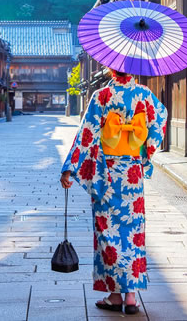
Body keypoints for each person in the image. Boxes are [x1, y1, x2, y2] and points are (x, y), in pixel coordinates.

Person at [60, 69, 167, 315]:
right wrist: (143, 152)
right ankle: (131, 296)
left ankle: (114, 295)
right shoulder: (144, 94)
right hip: (132, 174)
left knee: (107, 232)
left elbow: (86, 135)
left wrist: (70, 168)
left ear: (110, 68)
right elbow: (160, 119)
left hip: (106, 173)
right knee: (133, 233)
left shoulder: (102, 95)